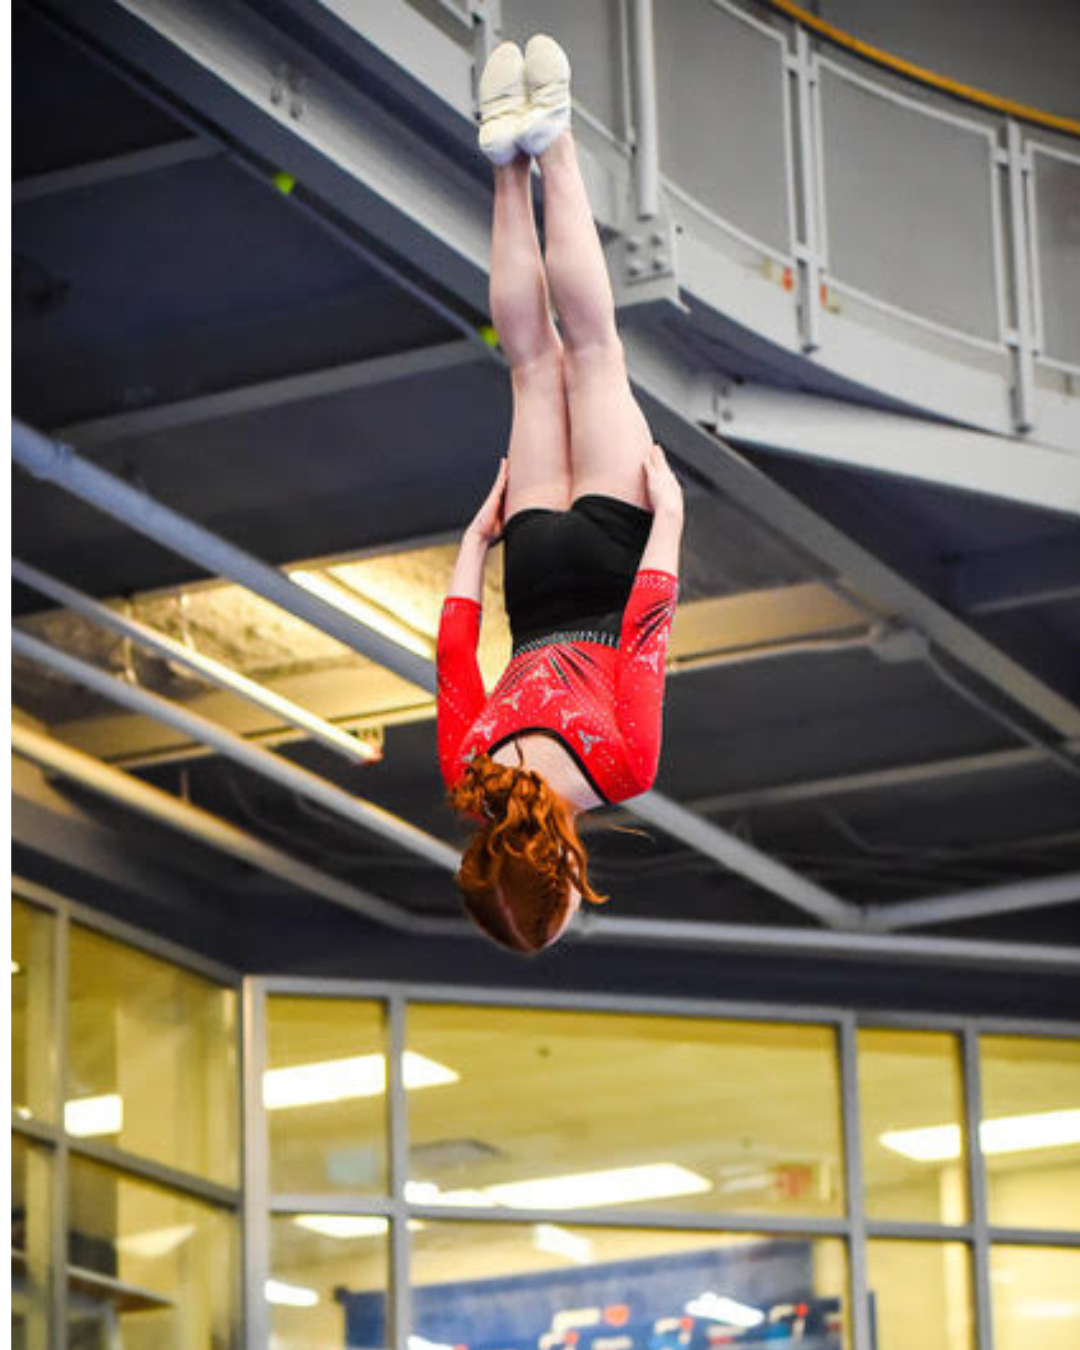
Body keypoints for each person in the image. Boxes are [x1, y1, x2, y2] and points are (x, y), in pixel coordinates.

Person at [437, 34, 684, 953]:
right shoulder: (468, 772)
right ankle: (508, 162)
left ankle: (558, 140)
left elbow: (649, 631)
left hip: (615, 555)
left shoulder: (622, 772)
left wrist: (673, 523)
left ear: (568, 875)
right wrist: (474, 544)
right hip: (533, 567)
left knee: (594, 348)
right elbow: (456, 650)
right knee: (532, 364)